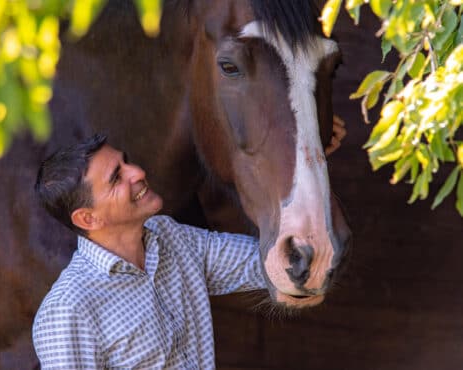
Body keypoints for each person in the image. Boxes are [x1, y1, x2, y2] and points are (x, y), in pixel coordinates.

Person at [32, 120, 346, 369]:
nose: (138, 172)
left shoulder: (172, 238)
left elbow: (282, 263)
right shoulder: (68, 310)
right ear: (88, 219)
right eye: (116, 177)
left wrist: (306, 163)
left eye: (125, 162)